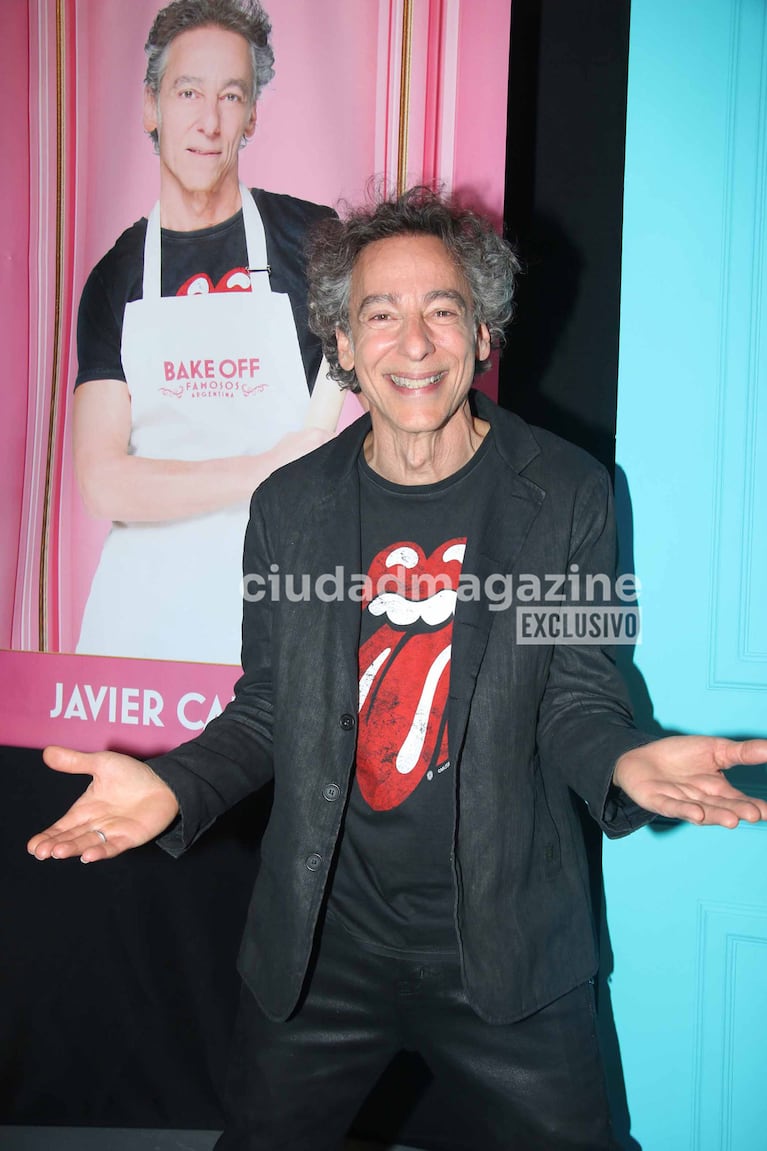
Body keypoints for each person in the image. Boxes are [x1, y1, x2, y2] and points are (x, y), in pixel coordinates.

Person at [30, 188, 767, 1151]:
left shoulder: (571, 495)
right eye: (380, 313)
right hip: (322, 949)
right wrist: (176, 782)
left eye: (443, 309)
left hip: (506, 953)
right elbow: (267, 706)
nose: (412, 342)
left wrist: (624, 761)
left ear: (483, 333)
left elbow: (578, 695)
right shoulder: (289, 507)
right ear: (341, 343)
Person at [74, 0, 341, 665]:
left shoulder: (313, 242)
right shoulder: (118, 276)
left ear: (252, 115)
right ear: (150, 107)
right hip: (140, 622)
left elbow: (358, 376)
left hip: (276, 601)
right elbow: (104, 482)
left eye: (231, 95)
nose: (208, 120)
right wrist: (266, 470)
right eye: (187, 91)